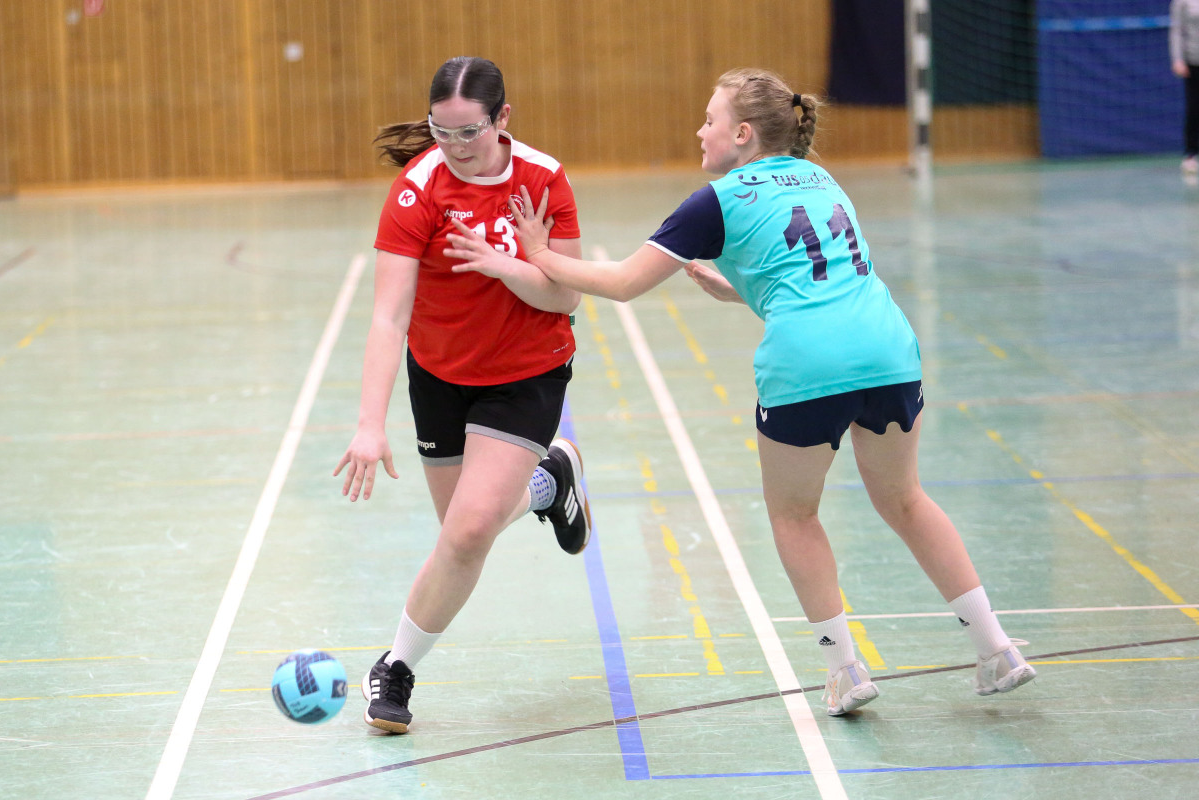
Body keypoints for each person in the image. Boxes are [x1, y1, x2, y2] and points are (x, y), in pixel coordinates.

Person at [446, 67, 1036, 716]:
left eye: (710, 120)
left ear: (743, 134)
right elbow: (819, 275)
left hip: (806, 366)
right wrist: (742, 289)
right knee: (906, 500)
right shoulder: (820, 178)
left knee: (795, 516)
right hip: (890, 349)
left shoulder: (716, 201)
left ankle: (844, 669)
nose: (701, 132)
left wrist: (537, 253)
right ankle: (996, 648)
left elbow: (621, 283)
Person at [334, 56, 593, 735]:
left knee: (470, 530)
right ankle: (549, 483)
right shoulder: (417, 191)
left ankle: (395, 667)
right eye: (441, 131)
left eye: (469, 132)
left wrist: (502, 265)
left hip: (527, 372)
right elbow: (388, 316)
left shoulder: (543, 178)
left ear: (502, 118)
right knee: (460, 530)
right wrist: (369, 424)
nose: (454, 146)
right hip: (441, 375)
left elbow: (566, 294)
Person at [1171, 0, 1199, 174]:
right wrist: (1178, 59)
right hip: (1193, 60)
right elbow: (1177, 30)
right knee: (1194, 108)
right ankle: (1191, 154)